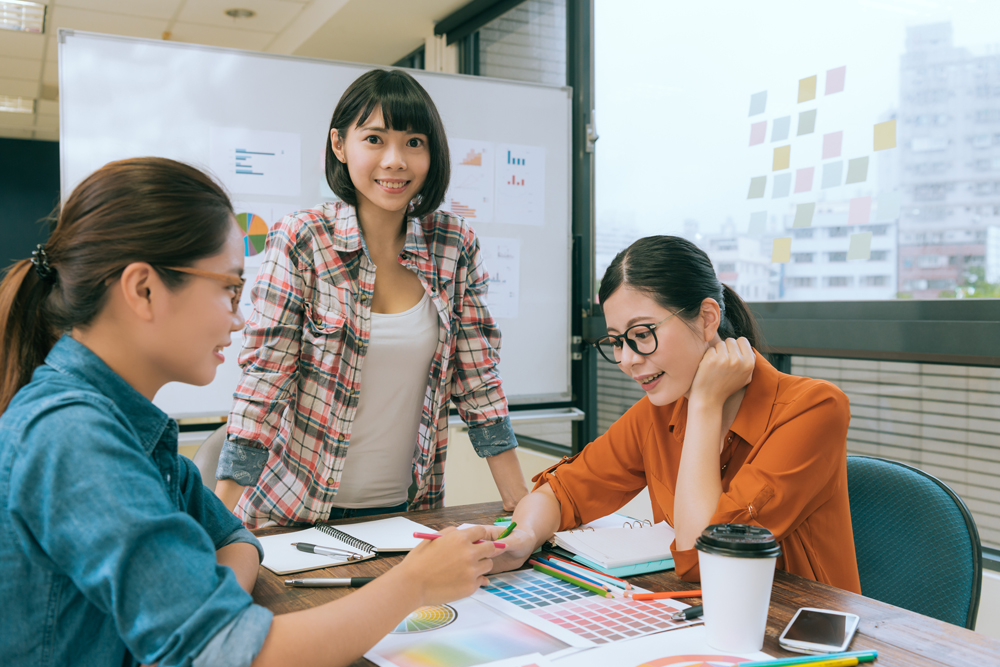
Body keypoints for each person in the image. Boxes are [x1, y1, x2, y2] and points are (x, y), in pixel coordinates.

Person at [0, 157, 500, 667]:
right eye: (228, 288)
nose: (239, 320)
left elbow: (235, 540)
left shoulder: (128, 423)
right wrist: (414, 583)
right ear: (144, 289)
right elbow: (222, 653)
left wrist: (207, 604)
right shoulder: (74, 437)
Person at [215, 68, 528, 528]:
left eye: (413, 142)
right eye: (375, 139)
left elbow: (477, 378)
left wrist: (520, 501)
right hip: (295, 516)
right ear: (340, 146)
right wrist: (215, 520)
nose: (395, 161)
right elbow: (265, 380)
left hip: (409, 514)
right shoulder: (303, 238)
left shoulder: (453, 244)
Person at [488, 235, 862, 594]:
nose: (627, 359)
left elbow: (706, 556)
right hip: (696, 619)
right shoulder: (656, 413)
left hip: (797, 634)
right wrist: (521, 539)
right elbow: (561, 492)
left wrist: (704, 404)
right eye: (617, 341)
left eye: (642, 334)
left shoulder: (813, 409)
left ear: (707, 318)